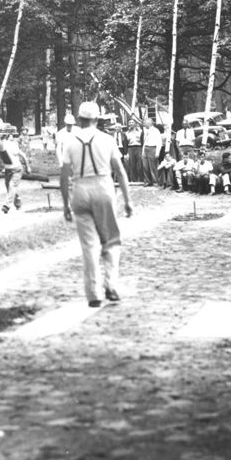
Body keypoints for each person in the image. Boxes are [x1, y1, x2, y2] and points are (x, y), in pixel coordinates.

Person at [60, 101, 133, 307]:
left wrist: (66, 205)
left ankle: (93, 294)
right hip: (103, 187)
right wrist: (127, 200)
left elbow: (64, 176)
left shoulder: (70, 141)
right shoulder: (106, 139)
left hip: (80, 189)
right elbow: (120, 171)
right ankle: (111, 286)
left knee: (89, 245)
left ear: (80, 119)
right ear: (97, 119)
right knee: (110, 240)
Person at [0, 129, 30, 213]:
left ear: (3, 139)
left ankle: (6, 206)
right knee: (9, 188)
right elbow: (2, 159)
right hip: (8, 170)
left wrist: (27, 167)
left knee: (12, 186)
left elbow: (23, 155)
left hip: (17, 169)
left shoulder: (11, 146)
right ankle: (18, 203)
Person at [141, 120, 161, 185]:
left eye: (145, 123)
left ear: (149, 123)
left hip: (153, 148)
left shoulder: (156, 131)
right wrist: (143, 151)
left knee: (153, 166)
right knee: (145, 166)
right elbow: (144, 141)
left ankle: (156, 181)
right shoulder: (146, 130)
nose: (144, 125)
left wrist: (157, 152)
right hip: (146, 148)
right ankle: (148, 181)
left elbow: (159, 142)